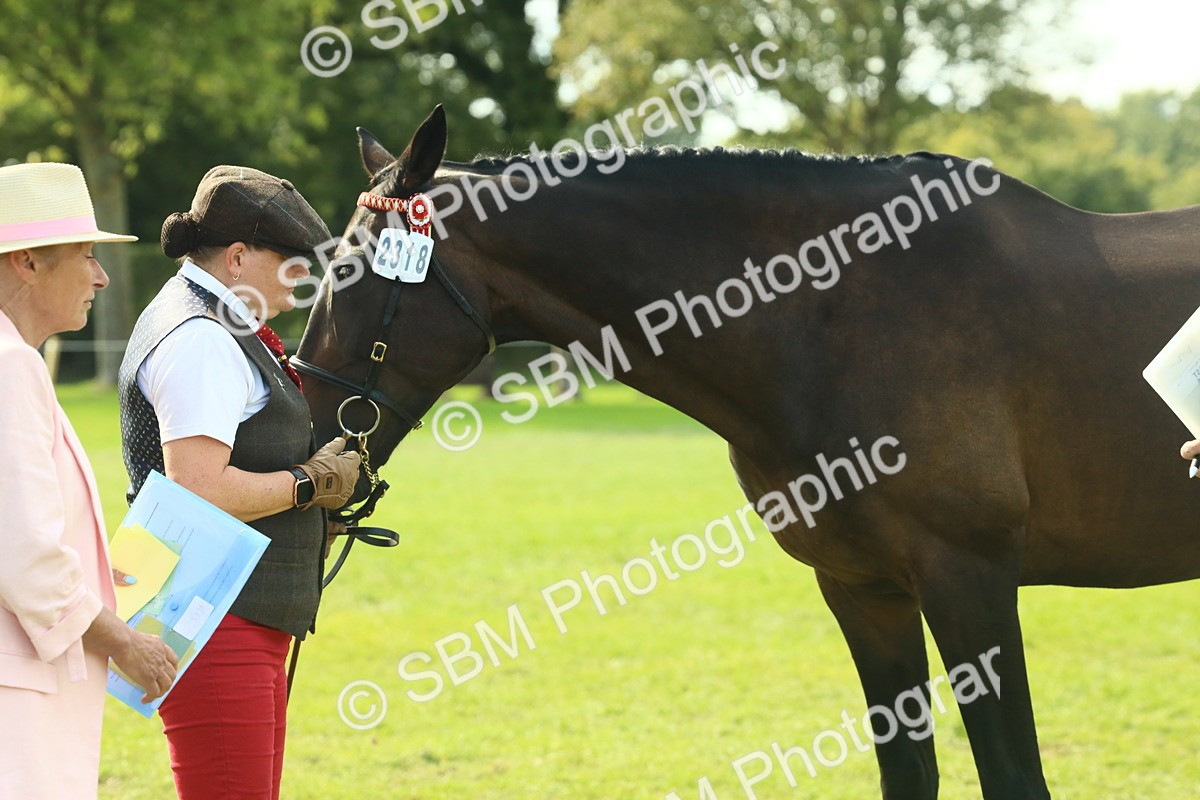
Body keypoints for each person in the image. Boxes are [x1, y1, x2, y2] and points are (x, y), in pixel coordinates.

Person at [118, 165, 360, 800]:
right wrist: (309, 484)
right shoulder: (202, 337)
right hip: (215, 617)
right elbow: (197, 490)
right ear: (237, 257)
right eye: (293, 262)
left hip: (229, 611)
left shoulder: (207, 318)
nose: (306, 279)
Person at [0, 162, 179, 799]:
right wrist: (123, 640)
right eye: (84, 254)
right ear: (26, 262)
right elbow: (24, 557)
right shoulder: (9, 367)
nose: (101, 276)